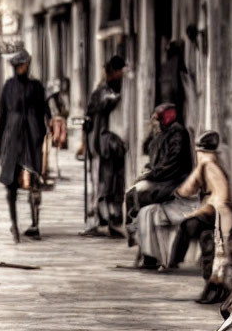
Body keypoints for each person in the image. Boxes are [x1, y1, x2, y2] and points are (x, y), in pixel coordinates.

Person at [168, 130, 232, 303]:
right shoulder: (209, 164)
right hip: (216, 212)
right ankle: (210, 285)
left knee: (190, 226)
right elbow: (189, 187)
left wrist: (198, 211)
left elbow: (220, 197)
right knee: (207, 241)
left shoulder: (208, 165)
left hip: (218, 213)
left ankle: (174, 260)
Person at [0, 49, 49, 242]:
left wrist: (42, 133)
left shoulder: (36, 87)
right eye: (19, 65)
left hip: (32, 140)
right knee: (11, 185)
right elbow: (1, 116)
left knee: (34, 182)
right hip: (13, 140)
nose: (22, 68)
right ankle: (15, 225)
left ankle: (35, 224)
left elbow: (45, 111)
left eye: (24, 65)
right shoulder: (9, 87)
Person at [125, 103, 192, 242]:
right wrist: (148, 170)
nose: (153, 123)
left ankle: (139, 231)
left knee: (139, 193)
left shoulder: (177, 134)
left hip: (173, 180)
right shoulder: (161, 134)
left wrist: (150, 175)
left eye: (156, 120)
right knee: (132, 192)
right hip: (162, 177)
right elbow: (157, 160)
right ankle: (136, 230)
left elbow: (172, 164)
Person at [81, 56, 126, 238]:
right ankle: (102, 219)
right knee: (102, 182)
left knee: (113, 182)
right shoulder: (102, 91)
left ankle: (112, 217)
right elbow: (101, 108)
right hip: (102, 143)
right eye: (120, 70)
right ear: (114, 71)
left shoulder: (114, 88)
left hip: (113, 144)